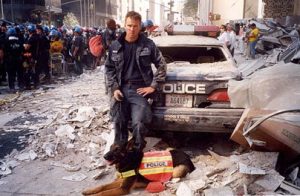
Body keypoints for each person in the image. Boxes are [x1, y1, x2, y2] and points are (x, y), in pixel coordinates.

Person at [105, 11, 166, 151]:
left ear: (140, 27)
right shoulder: (115, 46)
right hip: (121, 89)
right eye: (129, 25)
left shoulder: (148, 44)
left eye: (135, 26)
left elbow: (161, 65)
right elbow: (109, 69)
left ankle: (136, 152)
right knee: (119, 121)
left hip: (140, 91)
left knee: (138, 123)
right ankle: (119, 152)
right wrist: (114, 89)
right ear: (124, 25)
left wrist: (153, 86)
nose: (132, 29)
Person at [5, 27, 24, 92]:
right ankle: (21, 86)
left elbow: (4, 50)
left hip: (10, 60)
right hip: (18, 59)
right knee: (20, 73)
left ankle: (12, 87)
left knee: (11, 74)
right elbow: (22, 49)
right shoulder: (19, 40)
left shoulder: (6, 40)